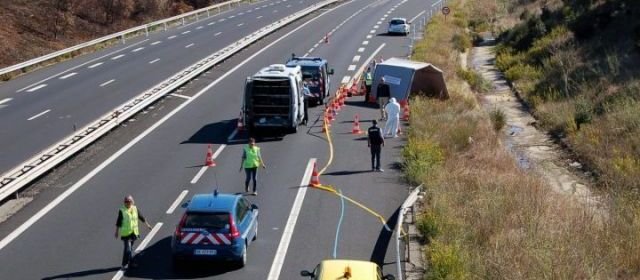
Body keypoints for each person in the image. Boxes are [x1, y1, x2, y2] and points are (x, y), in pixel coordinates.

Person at [115, 195, 152, 270]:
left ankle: (130, 263)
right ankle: (124, 264)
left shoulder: (135, 209)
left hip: (133, 233)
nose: (127, 203)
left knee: (130, 248)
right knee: (128, 249)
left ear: (132, 202)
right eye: (125, 202)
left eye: (129, 201)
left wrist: (147, 225)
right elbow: (119, 222)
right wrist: (116, 232)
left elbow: (141, 217)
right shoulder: (122, 210)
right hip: (126, 233)